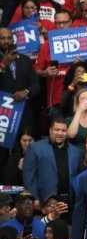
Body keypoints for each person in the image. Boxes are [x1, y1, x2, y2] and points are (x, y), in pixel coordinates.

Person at [0, 27, 41, 183]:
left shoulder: (24, 60)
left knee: (27, 152)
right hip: (3, 117)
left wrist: (26, 92)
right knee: (3, 155)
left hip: (23, 114)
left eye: (9, 38)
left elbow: (36, 85)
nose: (7, 41)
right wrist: (3, 64)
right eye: (3, 38)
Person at [23, 118, 82, 205]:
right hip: (44, 203)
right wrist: (33, 198)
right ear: (50, 130)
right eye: (57, 130)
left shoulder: (76, 152)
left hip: (70, 204)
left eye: (63, 130)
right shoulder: (35, 148)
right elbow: (28, 177)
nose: (60, 133)